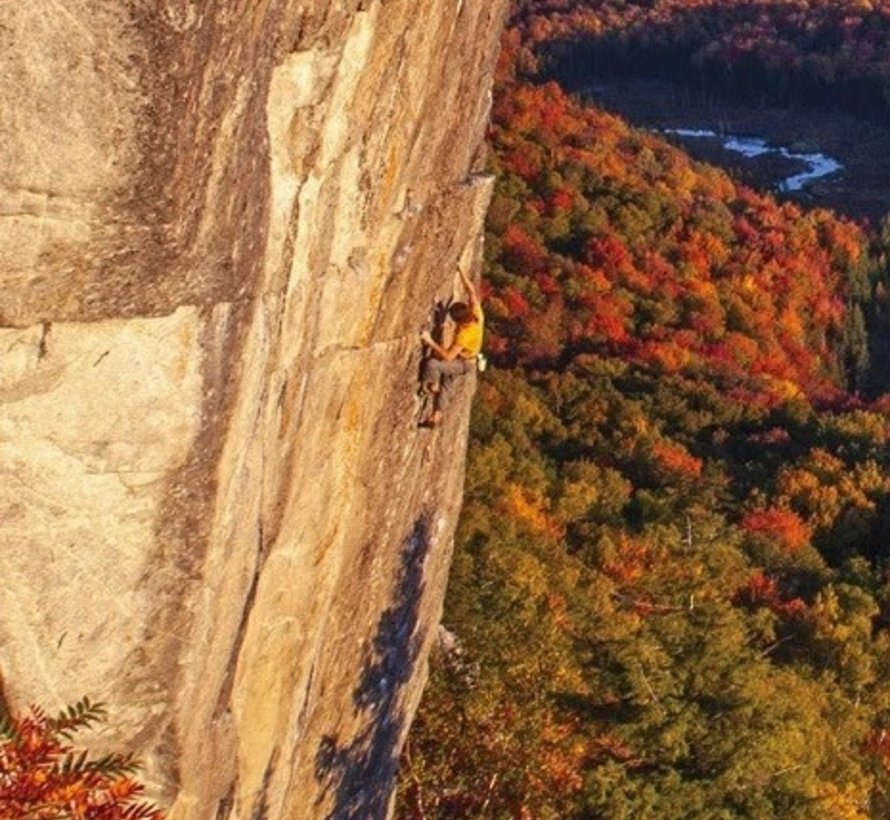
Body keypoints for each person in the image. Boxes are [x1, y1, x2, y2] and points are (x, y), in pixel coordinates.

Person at [419, 267, 484, 428]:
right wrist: (461, 270)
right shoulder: (476, 313)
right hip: (468, 360)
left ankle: (432, 386)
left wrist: (429, 341)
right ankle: (435, 418)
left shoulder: (464, 334)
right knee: (447, 385)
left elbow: (448, 357)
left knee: (432, 364)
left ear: (458, 321)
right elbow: (471, 290)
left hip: (463, 363)